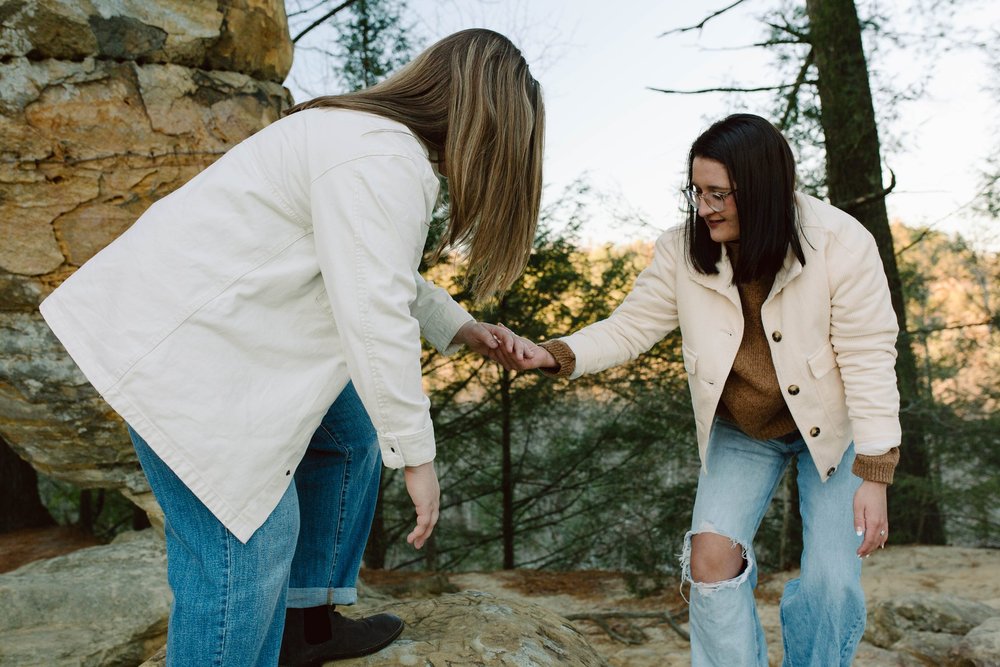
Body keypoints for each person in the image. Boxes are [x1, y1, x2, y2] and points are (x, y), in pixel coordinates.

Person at [39, 29, 543, 667]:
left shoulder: (366, 143)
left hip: (207, 336)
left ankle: (306, 628)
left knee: (348, 435)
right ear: (484, 124)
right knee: (246, 551)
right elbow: (371, 310)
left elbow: (369, 264)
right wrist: (417, 456)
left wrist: (461, 328)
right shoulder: (380, 159)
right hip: (182, 353)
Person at [491, 114, 900, 666]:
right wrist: (555, 353)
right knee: (709, 560)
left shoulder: (840, 243)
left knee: (833, 582)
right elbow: (629, 326)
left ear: (760, 190)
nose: (703, 207)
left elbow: (868, 356)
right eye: (696, 191)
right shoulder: (683, 250)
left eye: (717, 194)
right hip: (743, 429)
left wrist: (875, 474)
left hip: (834, 430)